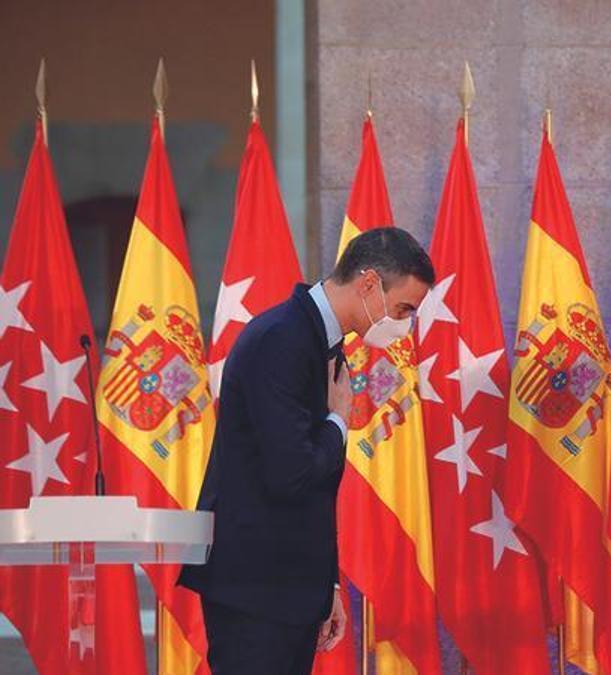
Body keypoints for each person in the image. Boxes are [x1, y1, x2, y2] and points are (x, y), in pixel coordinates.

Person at [179, 228, 434, 674]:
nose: (404, 324)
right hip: (255, 589)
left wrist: (326, 585)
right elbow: (291, 473)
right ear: (369, 284)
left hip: (289, 586)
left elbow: (315, 490)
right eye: (403, 309)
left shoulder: (322, 342)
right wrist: (338, 421)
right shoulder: (283, 338)